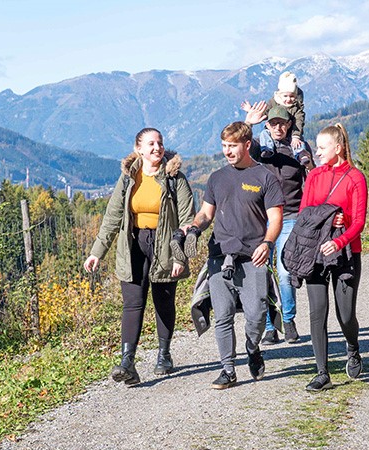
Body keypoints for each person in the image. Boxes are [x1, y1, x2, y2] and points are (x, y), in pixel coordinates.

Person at [84, 127, 195, 385]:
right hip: (134, 243)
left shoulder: (174, 178)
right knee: (132, 303)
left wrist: (180, 256)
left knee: (163, 300)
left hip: (166, 244)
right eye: (151, 144)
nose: (157, 148)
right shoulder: (128, 178)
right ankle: (127, 362)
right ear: (139, 149)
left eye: (160, 143)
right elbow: (112, 218)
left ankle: (164, 355)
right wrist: (96, 253)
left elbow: (188, 219)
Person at [180, 121, 284, 389]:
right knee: (223, 315)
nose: (227, 151)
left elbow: (275, 219)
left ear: (247, 145)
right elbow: (205, 214)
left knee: (257, 315)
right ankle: (228, 369)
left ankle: (252, 346)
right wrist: (194, 226)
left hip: (254, 257)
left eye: (232, 146)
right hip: (219, 257)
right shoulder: (217, 178)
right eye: (224, 146)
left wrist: (267, 242)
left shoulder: (265, 178)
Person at [299, 124, 368, 392]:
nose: (316, 153)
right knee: (317, 312)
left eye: (321, 147)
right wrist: (326, 219)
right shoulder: (314, 176)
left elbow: (359, 222)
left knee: (346, 314)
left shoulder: (355, 178)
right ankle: (322, 373)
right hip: (316, 252)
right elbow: (305, 214)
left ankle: (352, 348)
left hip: (346, 252)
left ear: (337, 148)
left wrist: (339, 238)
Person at [243, 101, 308, 345]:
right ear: (267, 125)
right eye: (272, 123)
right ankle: (270, 326)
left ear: (290, 124)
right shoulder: (259, 149)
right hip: (262, 220)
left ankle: (288, 320)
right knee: (262, 274)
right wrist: (249, 122)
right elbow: (240, 146)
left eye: (281, 122)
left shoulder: (298, 147)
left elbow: (309, 178)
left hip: (291, 216)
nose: (277, 127)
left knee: (284, 272)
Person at [252, 71, 311, 166]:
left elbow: (299, 122)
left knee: (299, 142)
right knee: (264, 133)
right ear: (280, 95)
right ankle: (267, 149)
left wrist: (296, 136)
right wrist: (252, 111)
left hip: (292, 132)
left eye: (292, 96)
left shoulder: (296, 108)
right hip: (273, 133)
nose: (288, 99)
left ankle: (301, 155)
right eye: (285, 96)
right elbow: (265, 111)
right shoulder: (273, 102)